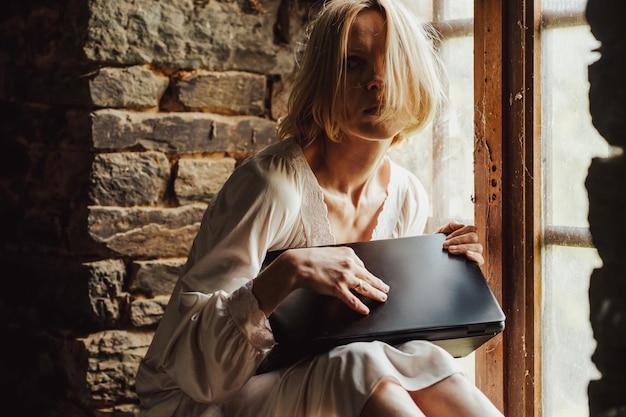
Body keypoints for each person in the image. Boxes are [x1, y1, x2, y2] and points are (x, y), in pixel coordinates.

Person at [135, 0, 504, 416]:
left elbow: (388, 339)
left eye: (392, 61)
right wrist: (289, 271)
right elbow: (194, 362)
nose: (377, 80)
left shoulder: (407, 194)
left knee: (421, 358)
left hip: (334, 372)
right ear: (324, 81)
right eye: (353, 64)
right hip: (220, 394)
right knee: (357, 363)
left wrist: (442, 278)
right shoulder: (272, 186)